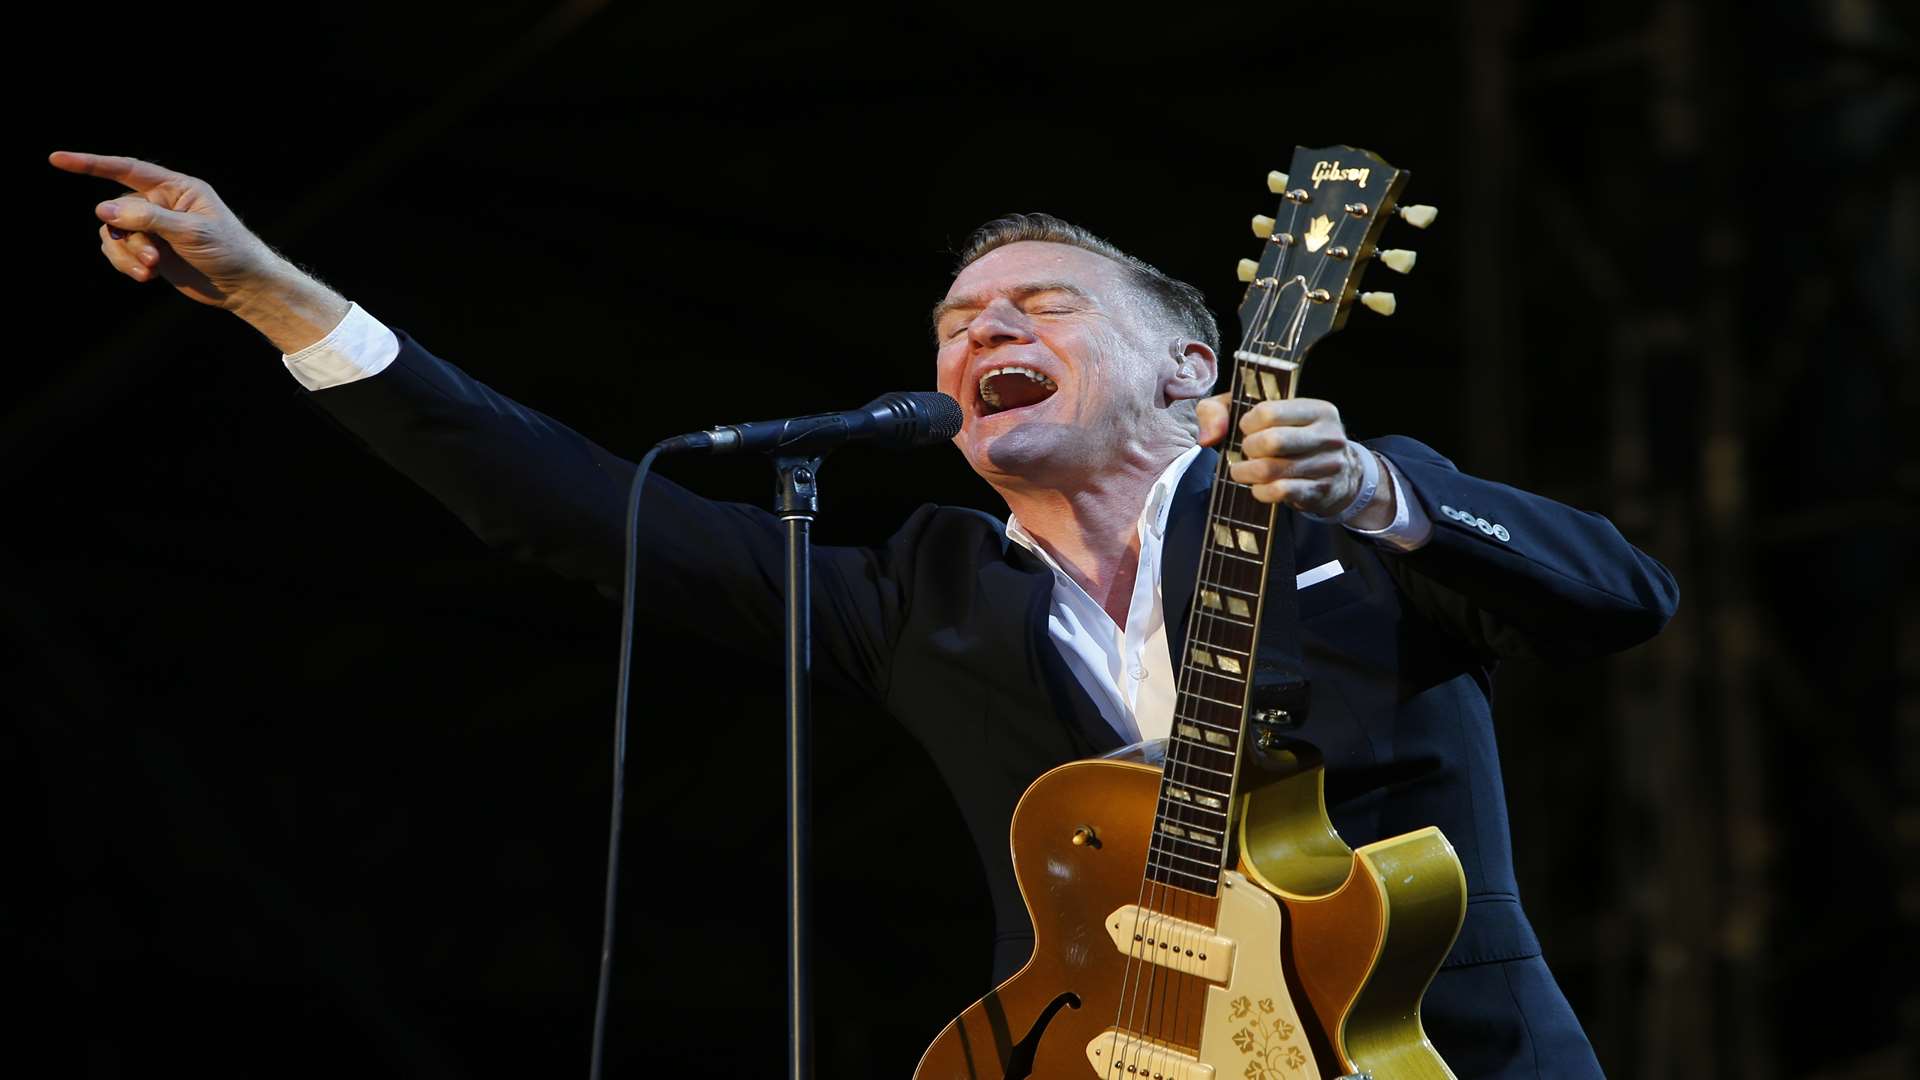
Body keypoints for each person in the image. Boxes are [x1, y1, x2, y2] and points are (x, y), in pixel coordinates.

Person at [52, 150, 1678, 1078]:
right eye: (960, 323)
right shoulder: (923, 593)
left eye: (1041, 304)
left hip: (1434, 1058)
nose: (984, 333)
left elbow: (1622, 597)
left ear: (1197, 370)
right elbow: (564, 507)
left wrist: (1388, 492)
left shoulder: (1342, 509)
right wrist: (276, 293)